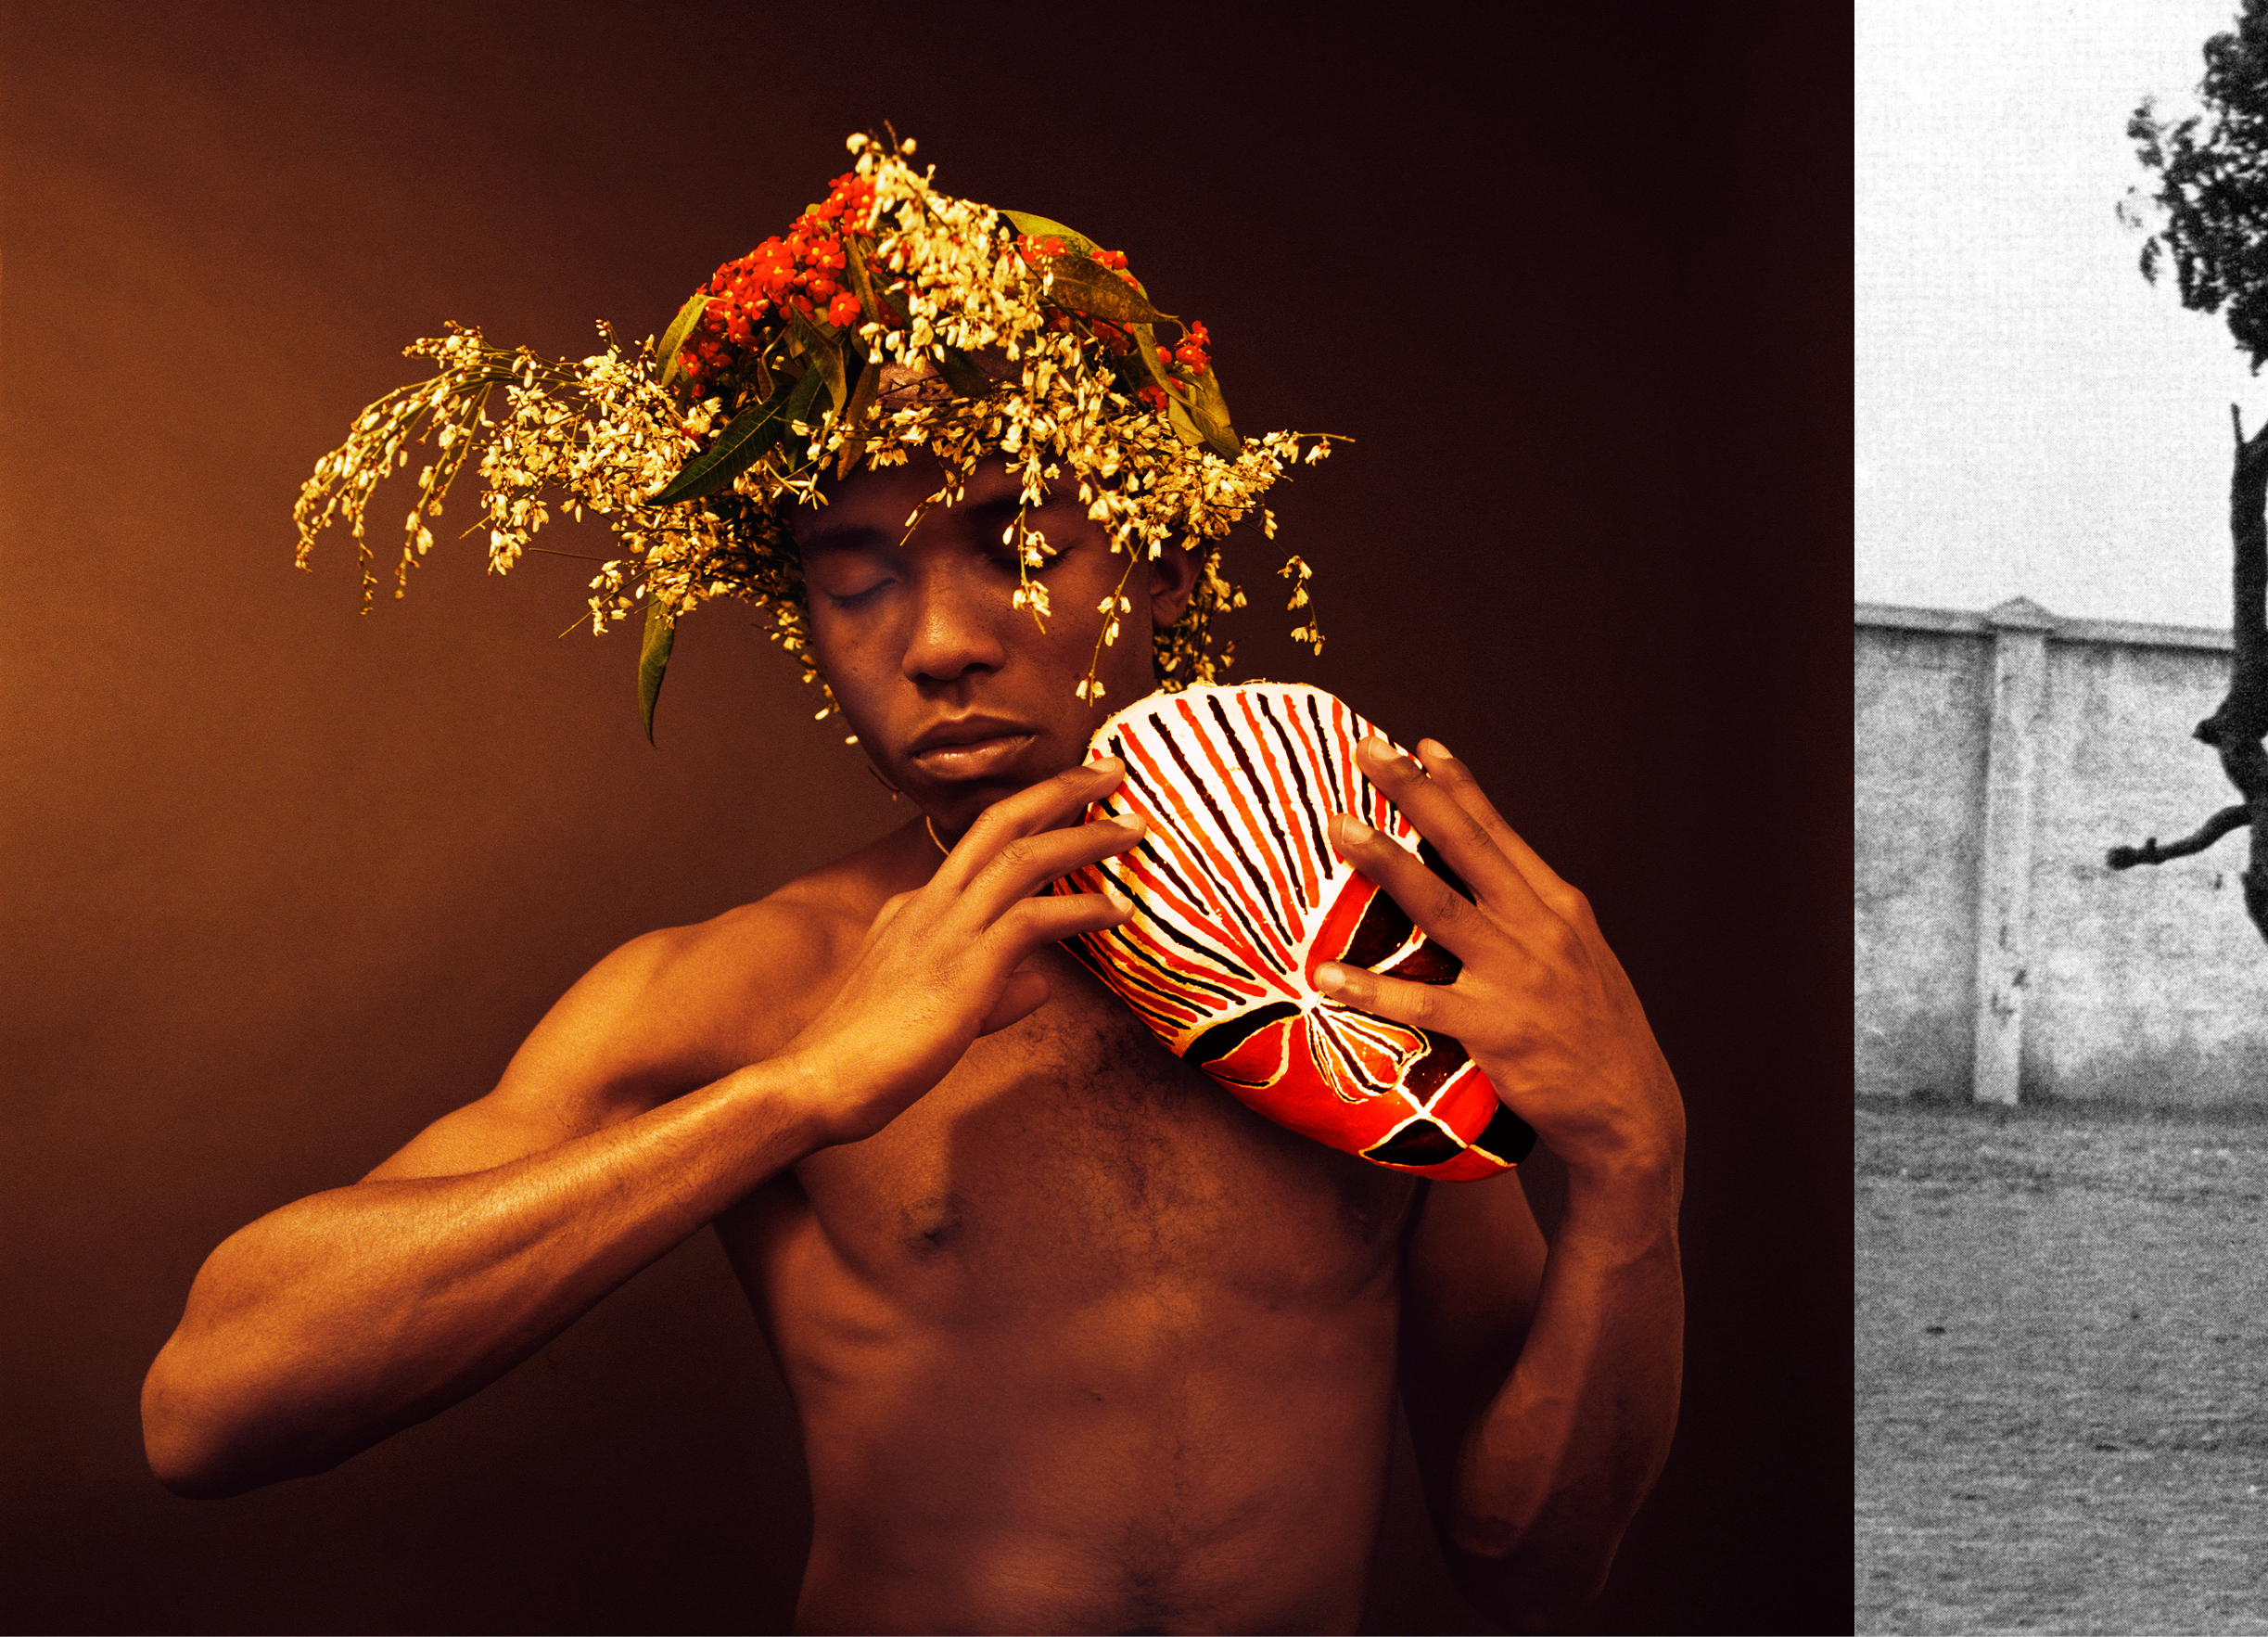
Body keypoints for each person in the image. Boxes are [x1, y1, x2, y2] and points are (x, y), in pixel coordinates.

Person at [143, 135, 1683, 1633]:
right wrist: (800, 1095)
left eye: (1016, 539)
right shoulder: (765, 988)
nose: (939, 641)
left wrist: (1634, 1182)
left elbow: (1529, 1569)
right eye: (856, 574)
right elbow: (211, 1407)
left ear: (1160, 570)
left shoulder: (1373, 952)